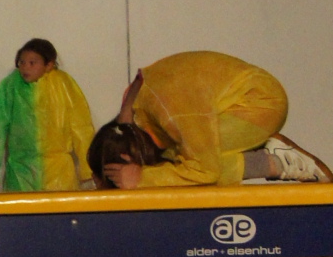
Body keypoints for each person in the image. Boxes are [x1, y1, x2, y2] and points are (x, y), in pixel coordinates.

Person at [87, 50, 332, 189]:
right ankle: (261, 150)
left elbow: (205, 171)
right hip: (244, 96)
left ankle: (275, 160)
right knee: (179, 164)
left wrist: (142, 178)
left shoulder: (169, 113)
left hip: (259, 106)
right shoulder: (136, 112)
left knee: (194, 172)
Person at [0, 38, 95, 191]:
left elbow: (81, 127)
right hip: (20, 170)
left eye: (32, 63)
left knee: (58, 206)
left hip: (59, 172)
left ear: (49, 65)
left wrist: (89, 168)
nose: (25, 67)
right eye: (22, 62)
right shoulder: (10, 86)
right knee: (22, 205)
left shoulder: (64, 84)